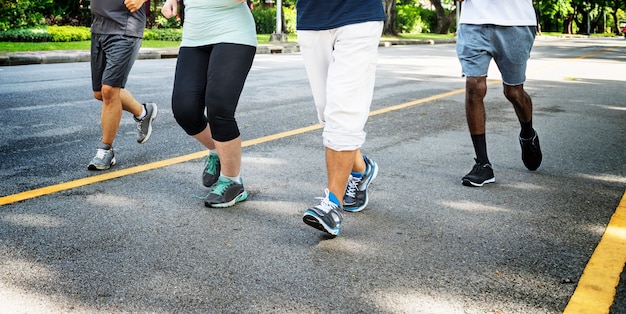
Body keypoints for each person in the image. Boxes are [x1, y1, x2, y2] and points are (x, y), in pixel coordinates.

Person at [296, 1, 385, 236]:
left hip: (358, 15)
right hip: (311, 17)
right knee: (327, 110)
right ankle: (361, 168)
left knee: (343, 110)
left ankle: (332, 206)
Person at [161, 0, 256, 208]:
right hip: (194, 35)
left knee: (219, 107)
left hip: (233, 32)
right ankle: (217, 151)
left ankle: (232, 181)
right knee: (184, 110)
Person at [455, 0, 542, 187]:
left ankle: (528, 134)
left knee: (513, 91)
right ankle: (482, 163)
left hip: (516, 22)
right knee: (474, 86)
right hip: (473, 21)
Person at [88, 0, 158, 170]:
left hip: (125, 26)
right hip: (99, 25)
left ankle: (106, 150)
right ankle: (143, 111)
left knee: (109, 90)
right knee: (99, 93)